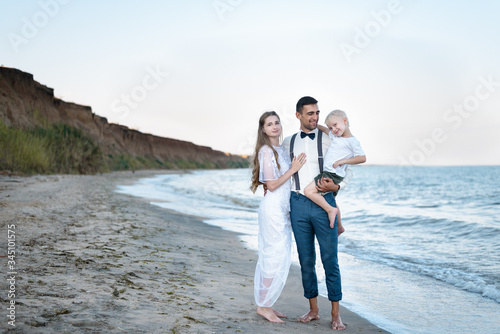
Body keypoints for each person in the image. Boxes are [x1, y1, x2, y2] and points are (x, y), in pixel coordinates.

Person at [282, 96, 352, 330]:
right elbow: (283, 174)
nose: (314, 117)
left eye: (317, 113)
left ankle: (335, 314)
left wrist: (337, 187)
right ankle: (313, 309)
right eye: (310, 113)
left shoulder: (331, 140)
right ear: (298, 115)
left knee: (330, 260)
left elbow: (347, 170)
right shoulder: (288, 142)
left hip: (325, 203)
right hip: (298, 204)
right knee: (306, 260)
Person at [250, 111, 307, 323]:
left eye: (277, 123)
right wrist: (293, 169)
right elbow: (271, 185)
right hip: (272, 210)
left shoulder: (281, 149)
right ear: (263, 129)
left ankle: (267, 304)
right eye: (269, 124)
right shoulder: (266, 151)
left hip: (281, 210)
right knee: (273, 256)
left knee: (278, 256)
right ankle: (263, 307)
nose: (275, 127)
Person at [304, 109, 366, 235]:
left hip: (332, 174)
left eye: (335, 125)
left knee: (308, 191)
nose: (333, 129)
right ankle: (340, 227)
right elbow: (326, 131)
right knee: (331, 199)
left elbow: (362, 158)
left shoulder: (352, 141)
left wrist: (343, 161)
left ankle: (330, 211)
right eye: (331, 127)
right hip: (332, 173)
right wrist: (316, 125)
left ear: (345, 121)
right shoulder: (336, 136)